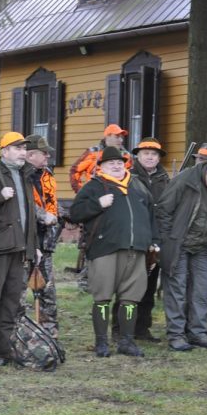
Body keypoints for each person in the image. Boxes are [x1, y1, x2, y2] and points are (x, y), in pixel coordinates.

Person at [69, 146, 158, 358]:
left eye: (120, 162)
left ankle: (126, 341)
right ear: (102, 167)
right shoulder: (94, 186)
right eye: (111, 163)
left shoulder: (138, 185)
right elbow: (74, 213)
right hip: (104, 249)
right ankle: (102, 342)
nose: (116, 166)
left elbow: (152, 215)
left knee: (131, 298)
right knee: (102, 297)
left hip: (136, 250)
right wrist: (97, 204)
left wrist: (154, 241)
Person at [0, 132, 38, 366]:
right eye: (17, 148)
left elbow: (29, 215)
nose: (23, 152)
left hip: (19, 248)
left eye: (24, 148)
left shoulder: (25, 175)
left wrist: (34, 246)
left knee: (11, 301)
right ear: (4, 152)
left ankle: (6, 349)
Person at [156, 143, 207, 351]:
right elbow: (163, 211)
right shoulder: (184, 180)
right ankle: (176, 335)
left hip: (203, 246)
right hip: (178, 243)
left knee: (201, 290)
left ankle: (198, 332)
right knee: (177, 289)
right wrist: (167, 241)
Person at [116, 137, 169, 342]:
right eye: (146, 153)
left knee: (149, 286)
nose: (150, 157)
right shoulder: (128, 176)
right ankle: (119, 329)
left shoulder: (164, 179)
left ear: (158, 158)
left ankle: (142, 329)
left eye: (154, 154)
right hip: (135, 238)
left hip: (155, 239)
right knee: (128, 287)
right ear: (137, 155)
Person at [69, 124, 132, 291]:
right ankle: (86, 281)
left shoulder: (126, 155)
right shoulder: (92, 152)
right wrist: (82, 193)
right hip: (94, 201)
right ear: (107, 136)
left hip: (116, 202)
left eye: (122, 136)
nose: (120, 139)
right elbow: (75, 171)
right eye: (117, 136)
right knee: (88, 241)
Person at [21, 134, 60, 337]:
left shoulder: (47, 175)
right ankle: (19, 332)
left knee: (48, 289)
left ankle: (49, 331)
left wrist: (57, 216)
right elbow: (26, 204)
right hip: (25, 241)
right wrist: (43, 215)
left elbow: (51, 202)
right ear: (30, 155)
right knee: (19, 289)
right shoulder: (20, 176)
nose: (47, 156)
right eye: (43, 153)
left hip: (45, 241)